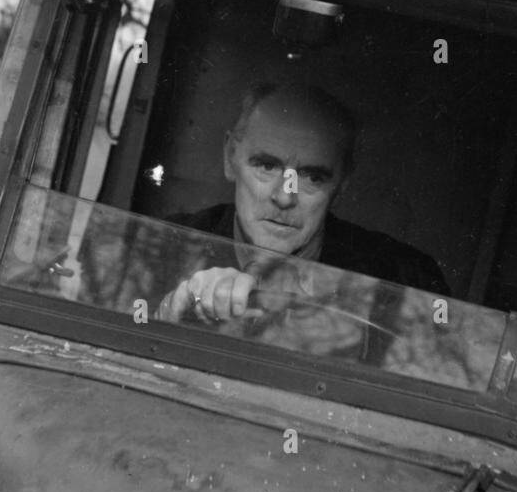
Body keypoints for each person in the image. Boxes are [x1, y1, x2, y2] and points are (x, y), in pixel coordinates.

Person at [156, 82, 448, 323]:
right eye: (267, 166)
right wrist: (170, 311)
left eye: (312, 177)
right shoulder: (162, 247)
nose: (284, 196)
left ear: (342, 184)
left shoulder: (407, 279)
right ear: (230, 157)